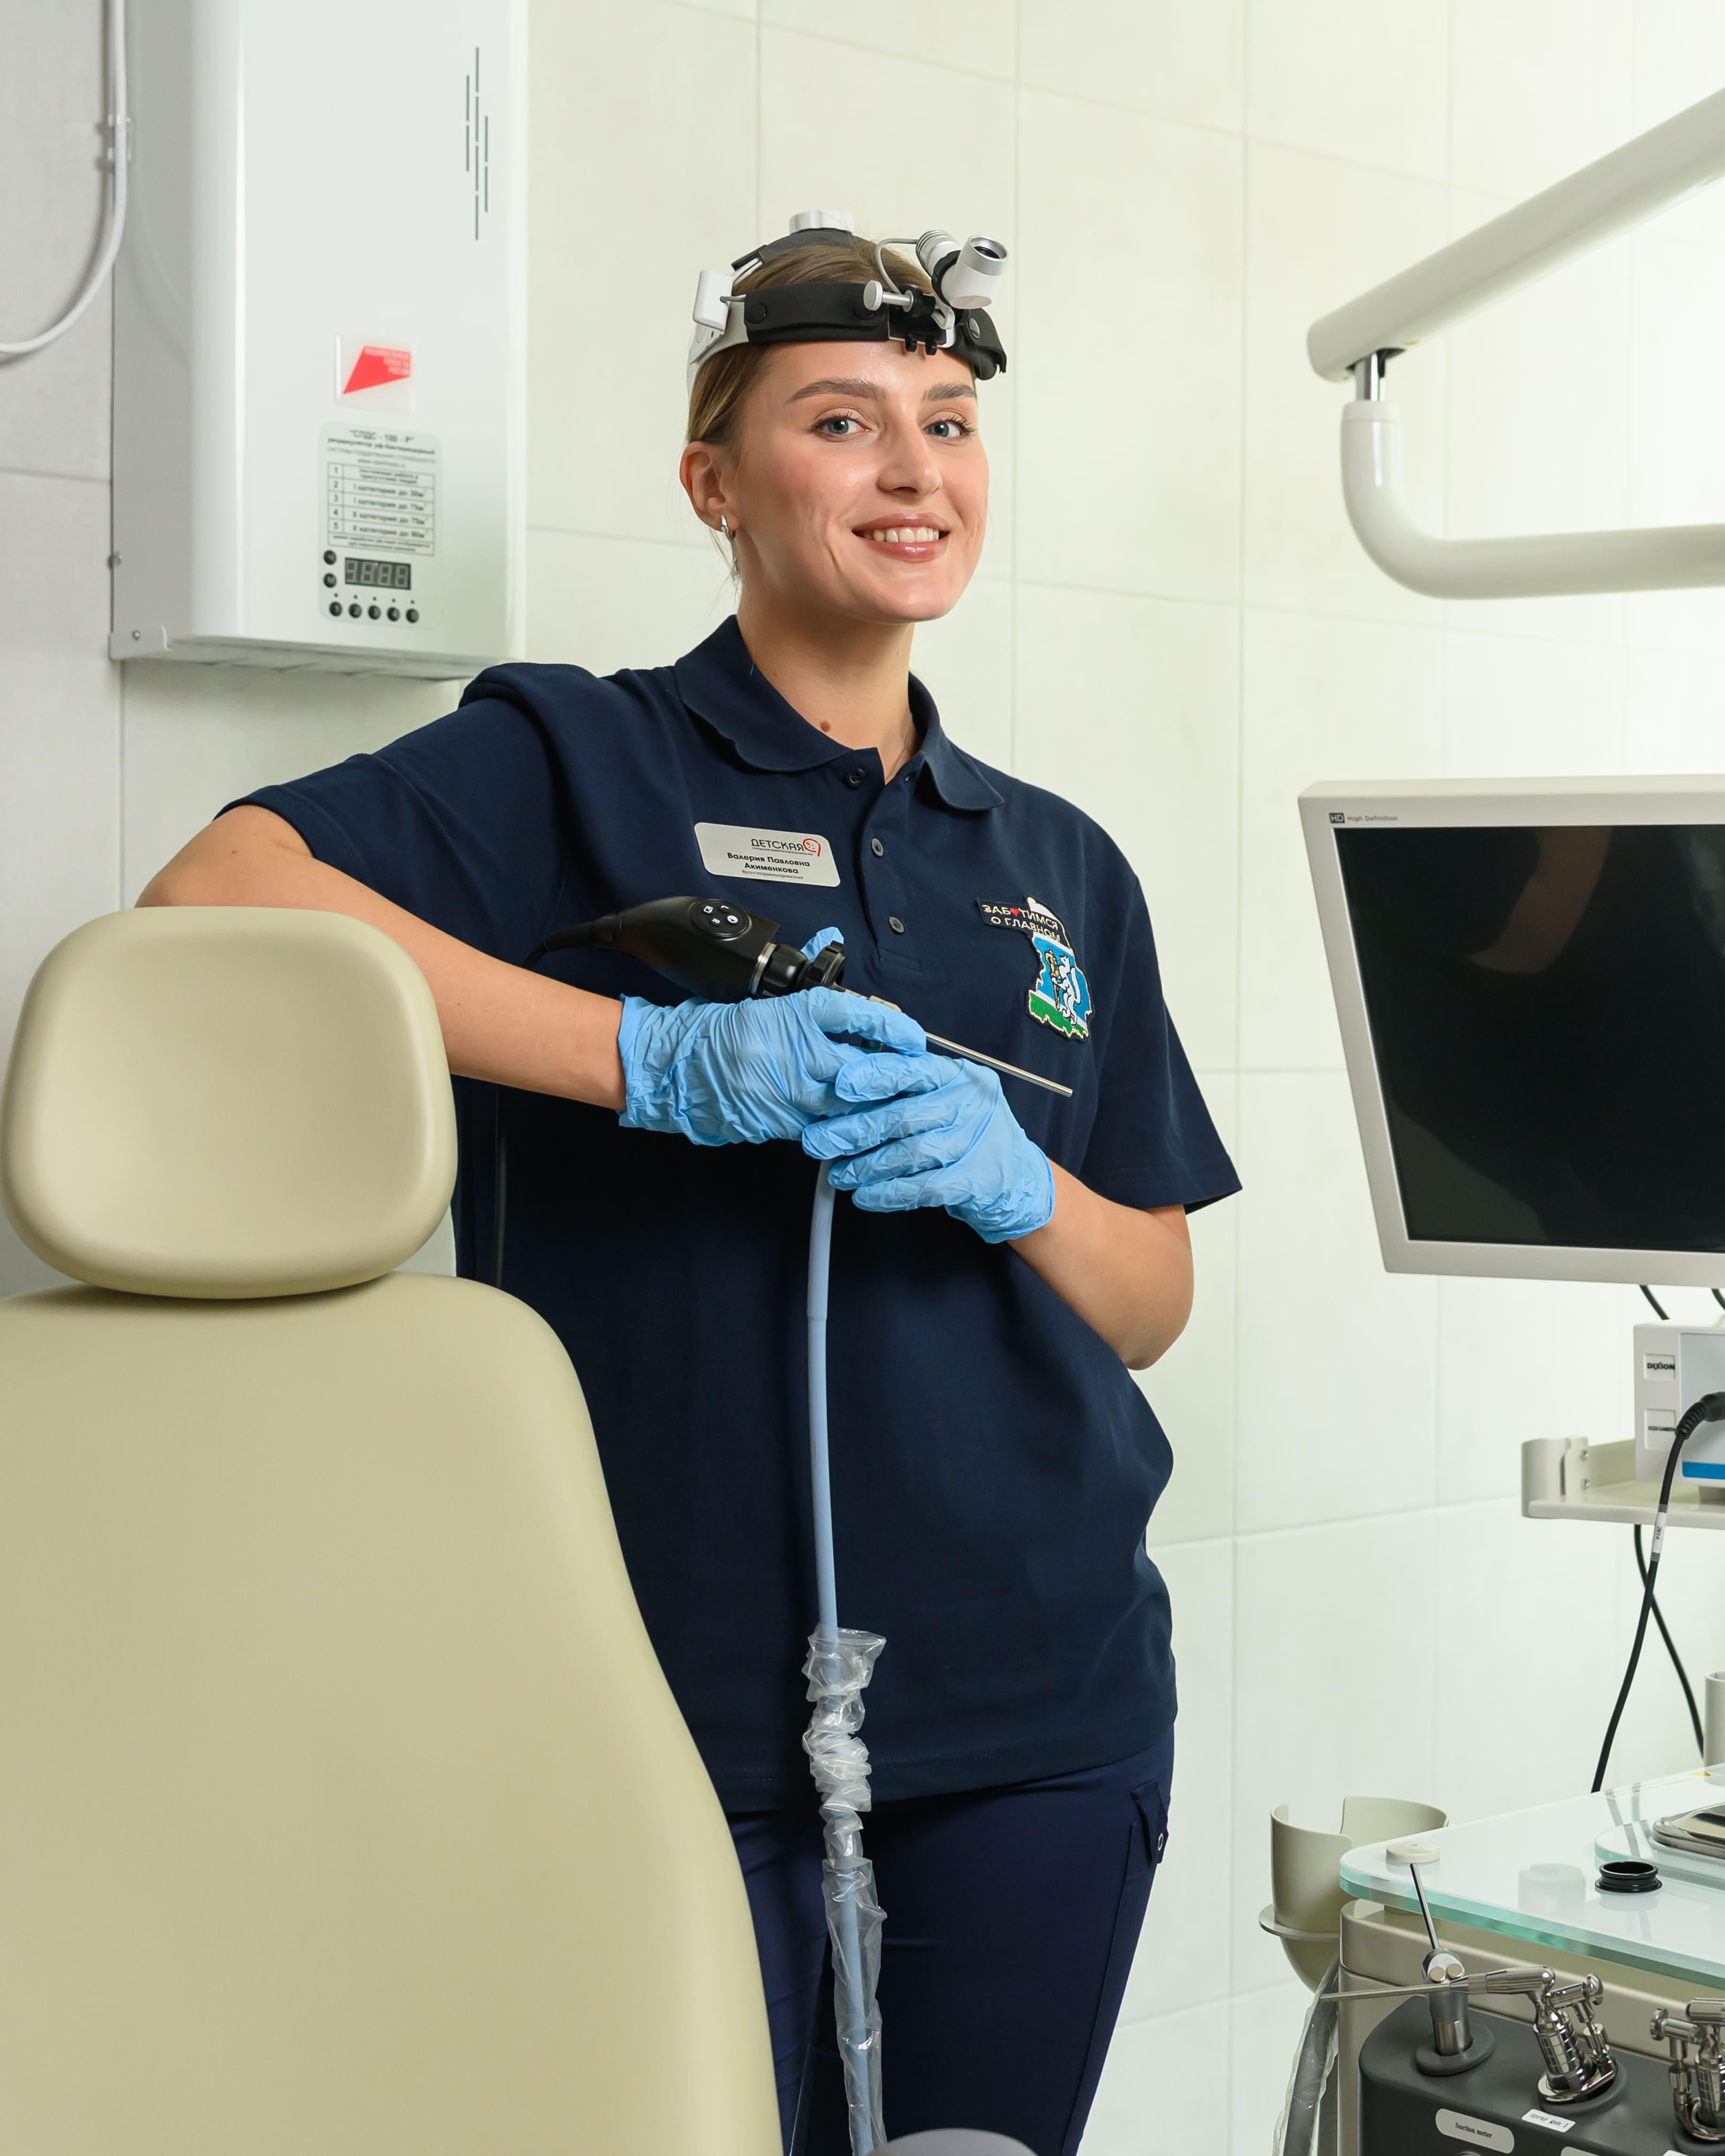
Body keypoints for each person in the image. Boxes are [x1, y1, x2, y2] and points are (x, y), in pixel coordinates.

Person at [140, 224, 1235, 2156]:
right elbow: (216, 898)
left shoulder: (1057, 861)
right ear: (714, 485)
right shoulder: (571, 755)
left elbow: (1149, 1297)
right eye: (843, 421)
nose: (914, 471)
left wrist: (1015, 1187)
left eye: (949, 422)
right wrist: (648, 1060)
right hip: (660, 1703)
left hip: (1044, 1713)